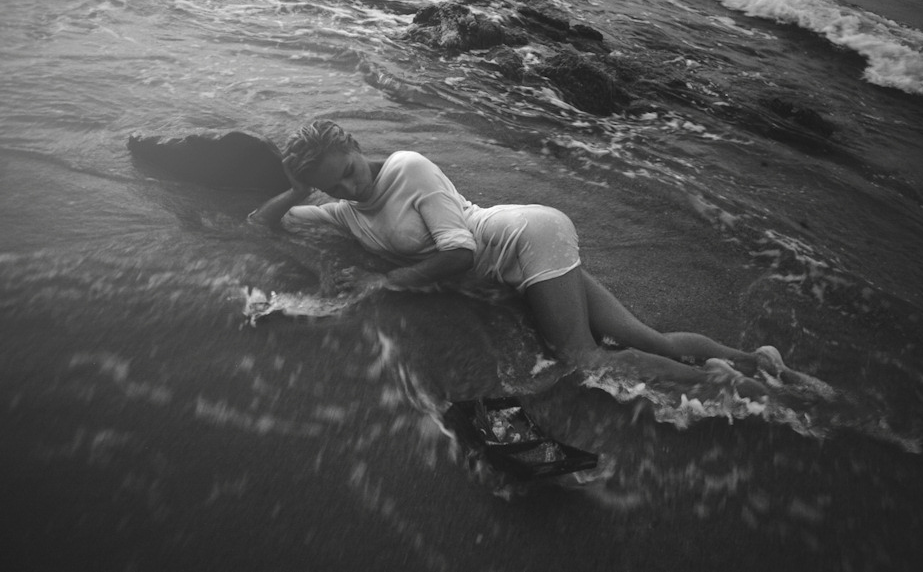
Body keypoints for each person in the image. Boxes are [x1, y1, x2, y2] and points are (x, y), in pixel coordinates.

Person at [248, 120, 783, 400]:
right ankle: (756, 362)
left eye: (347, 169)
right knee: (649, 339)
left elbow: (461, 252)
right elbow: (260, 222)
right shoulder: (345, 212)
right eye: (333, 185)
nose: (349, 185)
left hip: (525, 237)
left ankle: (738, 389)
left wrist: (390, 281)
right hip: (527, 252)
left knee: (585, 358)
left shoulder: (408, 168)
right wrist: (295, 191)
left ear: (353, 145)